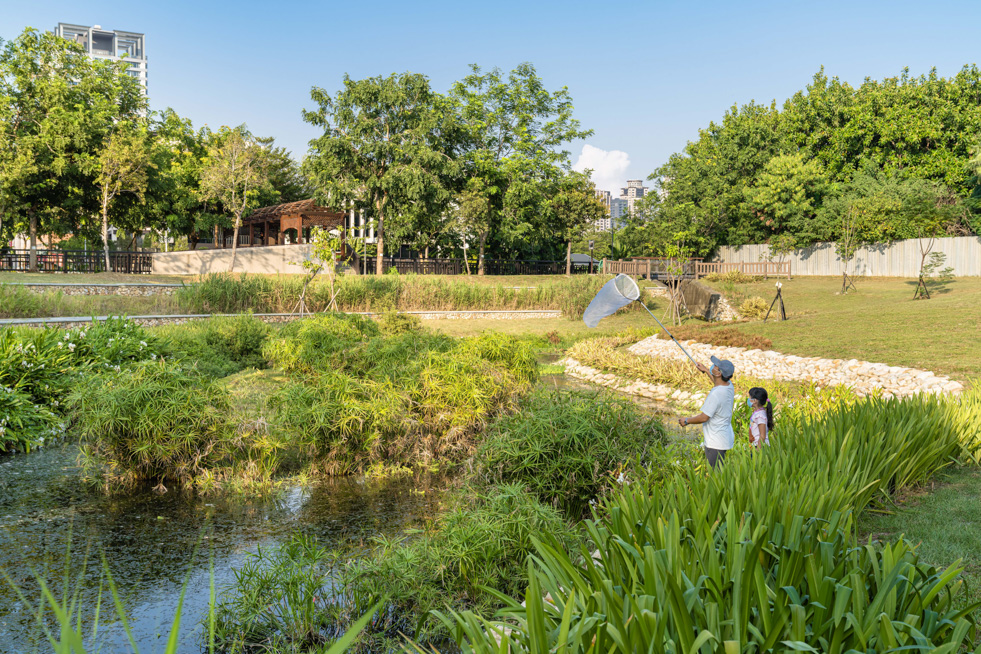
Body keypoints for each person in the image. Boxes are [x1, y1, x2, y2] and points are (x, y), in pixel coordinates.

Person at [678, 356, 735, 469]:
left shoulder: (715, 394)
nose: (713, 366)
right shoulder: (728, 385)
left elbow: (704, 417)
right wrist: (705, 370)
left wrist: (686, 420)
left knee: (716, 475)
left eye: (716, 366)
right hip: (724, 436)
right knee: (720, 470)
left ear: (719, 373)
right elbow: (716, 381)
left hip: (715, 441)